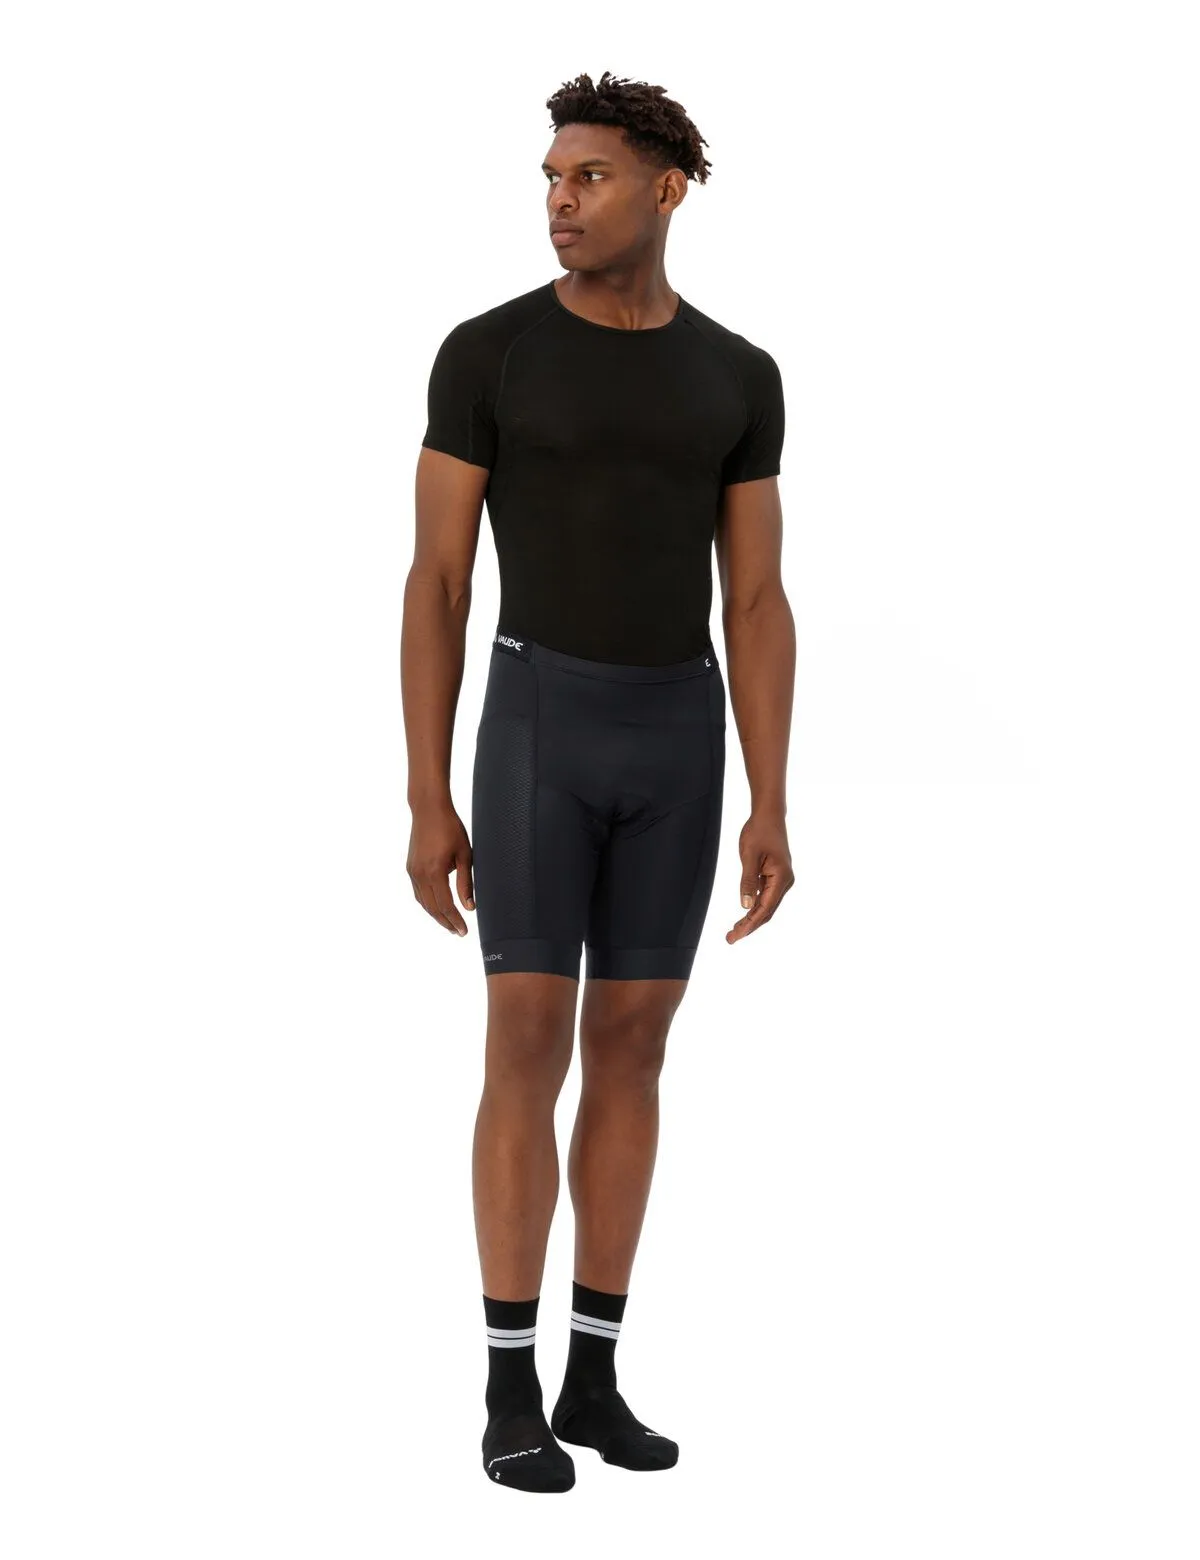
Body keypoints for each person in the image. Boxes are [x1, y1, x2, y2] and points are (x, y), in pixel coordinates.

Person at [401, 70, 796, 1492]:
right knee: (528, 1041)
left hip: (679, 736)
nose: (562, 202)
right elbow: (438, 582)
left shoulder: (739, 375)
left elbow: (757, 600)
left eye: (592, 177)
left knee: (635, 1047)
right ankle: (506, 1386)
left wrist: (771, 797)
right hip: (539, 726)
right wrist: (427, 793)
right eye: (552, 180)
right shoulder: (490, 354)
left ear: (667, 189)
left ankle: (593, 1377)